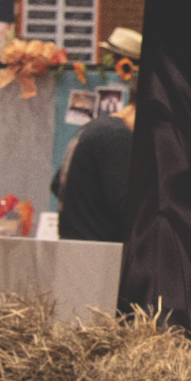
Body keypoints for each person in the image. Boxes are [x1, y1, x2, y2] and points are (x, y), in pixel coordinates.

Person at [58, 28, 142, 243]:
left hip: (78, 251)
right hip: (98, 259)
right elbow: (126, 207)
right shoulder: (117, 136)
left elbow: (56, 184)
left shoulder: (95, 127)